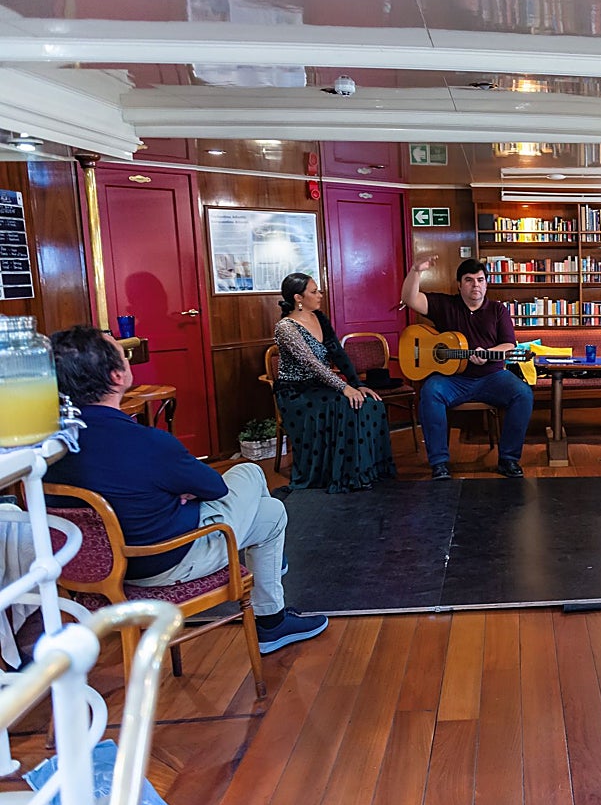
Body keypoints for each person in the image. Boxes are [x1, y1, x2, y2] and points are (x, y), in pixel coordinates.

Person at [45, 326, 327, 654]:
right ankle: (271, 594)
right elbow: (214, 488)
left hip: (88, 570)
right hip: (164, 566)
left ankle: (273, 620)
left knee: (271, 513)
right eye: (125, 355)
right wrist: (179, 491)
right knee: (249, 472)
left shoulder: (45, 448)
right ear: (117, 376)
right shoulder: (148, 443)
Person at [401, 255, 534, 480]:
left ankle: (508, 460)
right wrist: (416, 270)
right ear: (459, 284)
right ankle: (439, 463)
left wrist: (488, 354)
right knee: (430, 391)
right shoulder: (445, 305)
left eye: (480, 280)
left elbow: (509, 344)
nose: (476, 285)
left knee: (523, 393)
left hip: (492, 377)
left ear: (487, 283)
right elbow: (409, 298)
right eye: (470, 280)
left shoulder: (498, 310)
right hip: (453, 379)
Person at [273, 273, 395, 493]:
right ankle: (348, 476)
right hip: (296, 394)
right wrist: (344, 388)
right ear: (298, 298)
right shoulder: (286, 327)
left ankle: (369, 471)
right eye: (314, 291)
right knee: (347, 406)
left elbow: (338, 353)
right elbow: (312, 364)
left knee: (371, 403)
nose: (320, 295)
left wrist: (357, 384)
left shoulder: (319, 317)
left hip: (321, 386)